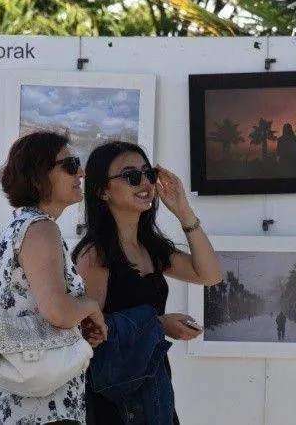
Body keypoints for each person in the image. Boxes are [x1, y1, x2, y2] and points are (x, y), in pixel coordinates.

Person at [72, 141, 222, 425]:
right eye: (131, 176)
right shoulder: (95, 255)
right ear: (102, 191)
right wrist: (159, 325)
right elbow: (88, 331)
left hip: (152, 388)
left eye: (148, 173)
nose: (145, 183)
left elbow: (210, 275)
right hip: (114, 399)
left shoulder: (150, 247)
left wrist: (184, 211)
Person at [0, 131, 108, 425]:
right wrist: (90, 307)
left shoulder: (18, 228)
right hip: (45, 408)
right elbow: (58, 312)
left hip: (22, 403)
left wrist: (76, 330)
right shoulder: (41, 229)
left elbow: (34, 311)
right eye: (71, 165)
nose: (81, 173)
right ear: (38, 175)